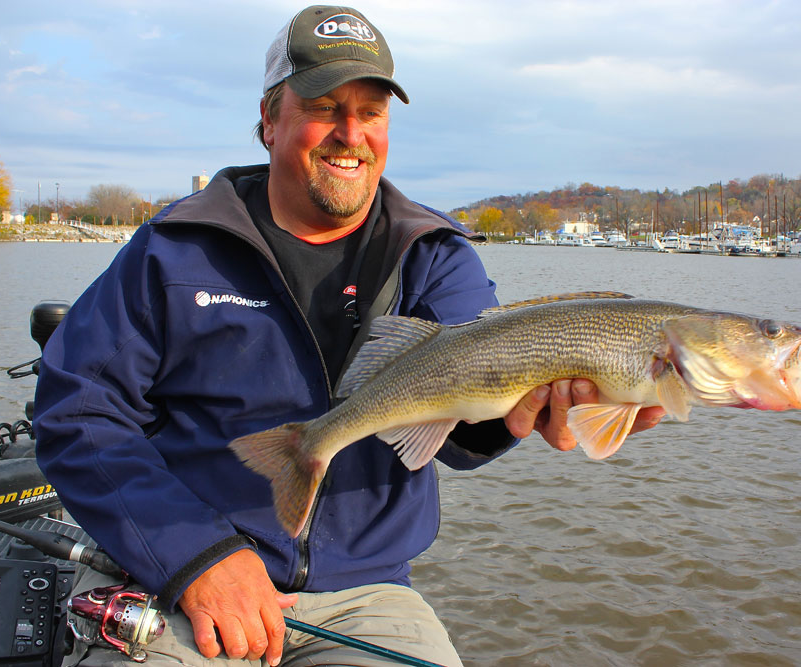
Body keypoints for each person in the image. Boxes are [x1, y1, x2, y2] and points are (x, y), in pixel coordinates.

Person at [34, 5, 663, 666]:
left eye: (371, 112)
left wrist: (533, 415)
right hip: (177, 573)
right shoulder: (174, 250)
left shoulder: (433, 254)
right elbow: (75, 411)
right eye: (324, 106)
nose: (350, 134)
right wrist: (196, 555)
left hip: (364, 595)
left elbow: (462, 433)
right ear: (270, 119)